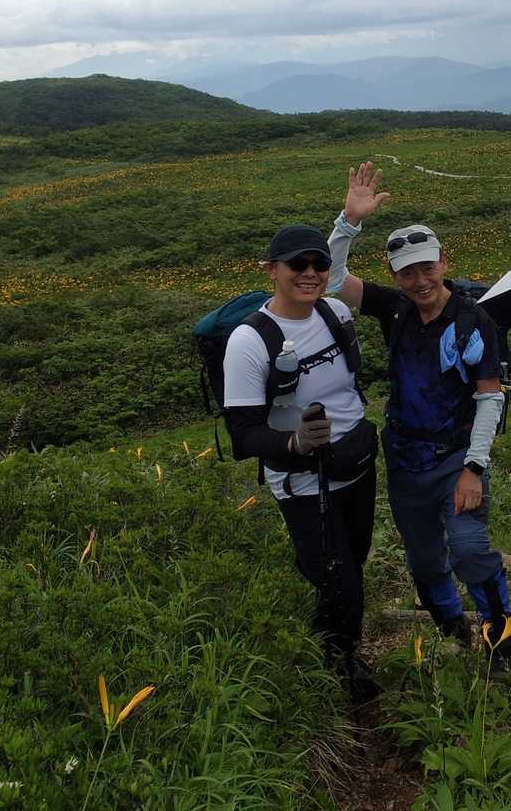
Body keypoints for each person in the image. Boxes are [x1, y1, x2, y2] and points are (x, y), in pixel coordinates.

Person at [326, 162, 511, 675]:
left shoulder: (473, 320)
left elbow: (489, 397)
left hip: (455, 456)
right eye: (407, 273)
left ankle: (503, 645)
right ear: (395, 276)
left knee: (469, 550)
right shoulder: (395, 308)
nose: (419, 281)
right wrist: (349, 222)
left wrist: (474, 468)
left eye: (427, 268)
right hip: (405, 458)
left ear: (443, 262)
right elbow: (334, 279)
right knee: (424, 558)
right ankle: (452, 627)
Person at [221, 222, 379, 700]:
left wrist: (348, 222)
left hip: (356, 465)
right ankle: (341, 669)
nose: (310, 273)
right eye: (297, 264)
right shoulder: (249, 342)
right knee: (339, 581)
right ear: (272, 270)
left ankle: (328, 642)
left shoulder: (334, 313)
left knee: (351, 564)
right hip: (306, 483)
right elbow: (243, 434)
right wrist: (295, 444)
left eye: (318, 264)